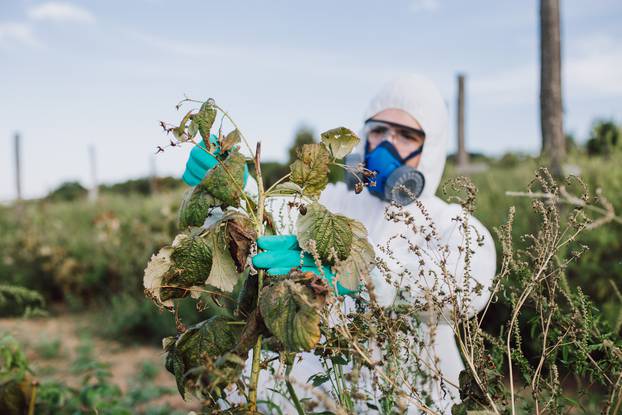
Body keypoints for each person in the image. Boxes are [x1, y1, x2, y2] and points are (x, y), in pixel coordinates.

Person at [182, 74, 496, 414]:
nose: (387, 145)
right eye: (379, 131)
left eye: (406, 135)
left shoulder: (447, 222)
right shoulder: (333, 203)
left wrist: (362, 274)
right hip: (323, 380)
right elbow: (271, 223)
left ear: (430, 148)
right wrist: (235, 188)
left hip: (412, 393)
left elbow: (466, 286)